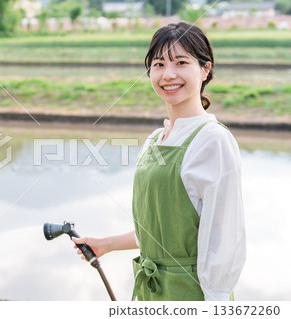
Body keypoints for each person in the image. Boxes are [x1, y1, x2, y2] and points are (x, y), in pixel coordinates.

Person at [72, 22, 246, 301]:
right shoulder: (156, 139)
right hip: (150, 292)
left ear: (205, 69)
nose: (169, 74)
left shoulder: (214, 140)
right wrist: (106, 244)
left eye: (181, 62)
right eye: (159, 64)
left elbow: (223, 238)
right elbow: (159, 231)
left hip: (192, 295)